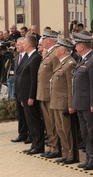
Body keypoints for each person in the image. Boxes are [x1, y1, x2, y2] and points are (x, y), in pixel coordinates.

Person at [72, 32, 93, 170]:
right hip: (80, 102)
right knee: (85, 133)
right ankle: (89, 157)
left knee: (91, 132)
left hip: (88, 103)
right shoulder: (82, 59)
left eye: (77, 44)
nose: (75, 47)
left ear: (82, 46)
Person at [49, 38, 78, 164]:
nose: (54, 50)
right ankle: (66, 153)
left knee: (67, 130)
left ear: (62, 50)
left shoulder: (70, 63)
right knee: (60, 129)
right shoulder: (61, 62)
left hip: (64, 102)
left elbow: (71, 86)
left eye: (56, 48)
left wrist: (71, 104)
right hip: (56, 101)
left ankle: (72, 155)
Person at [16, 35, 44, 154]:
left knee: (35, 122)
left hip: (30, 96)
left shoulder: (36, 57)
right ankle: (34, 143)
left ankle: (39, 145)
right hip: (24, 95)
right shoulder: (28, 57)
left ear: (30, 44)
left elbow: (33, 79)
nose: (23, 45)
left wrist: (31, 96)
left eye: (25, 43)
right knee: (30, 122)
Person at [36, 30, 60, 159]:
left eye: (44, 39)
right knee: (48, 122)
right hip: (44, 93)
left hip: (50, 94)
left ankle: (55, 147)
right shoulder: (48, 53)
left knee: (53, 122)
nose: (42, 41)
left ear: (50, 40)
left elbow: (56, 75)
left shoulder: (55, 53)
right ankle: (51, 145)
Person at [10, 37, 31, 143]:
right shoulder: (17, 57)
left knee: (28, 115)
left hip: (26, 90)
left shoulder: (29, 57)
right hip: (18, 89)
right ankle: (22, 133)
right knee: (20, 114)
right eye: (16, 45)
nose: (17, 46)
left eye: (19, 44)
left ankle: (30, 134)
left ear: (25, 44)